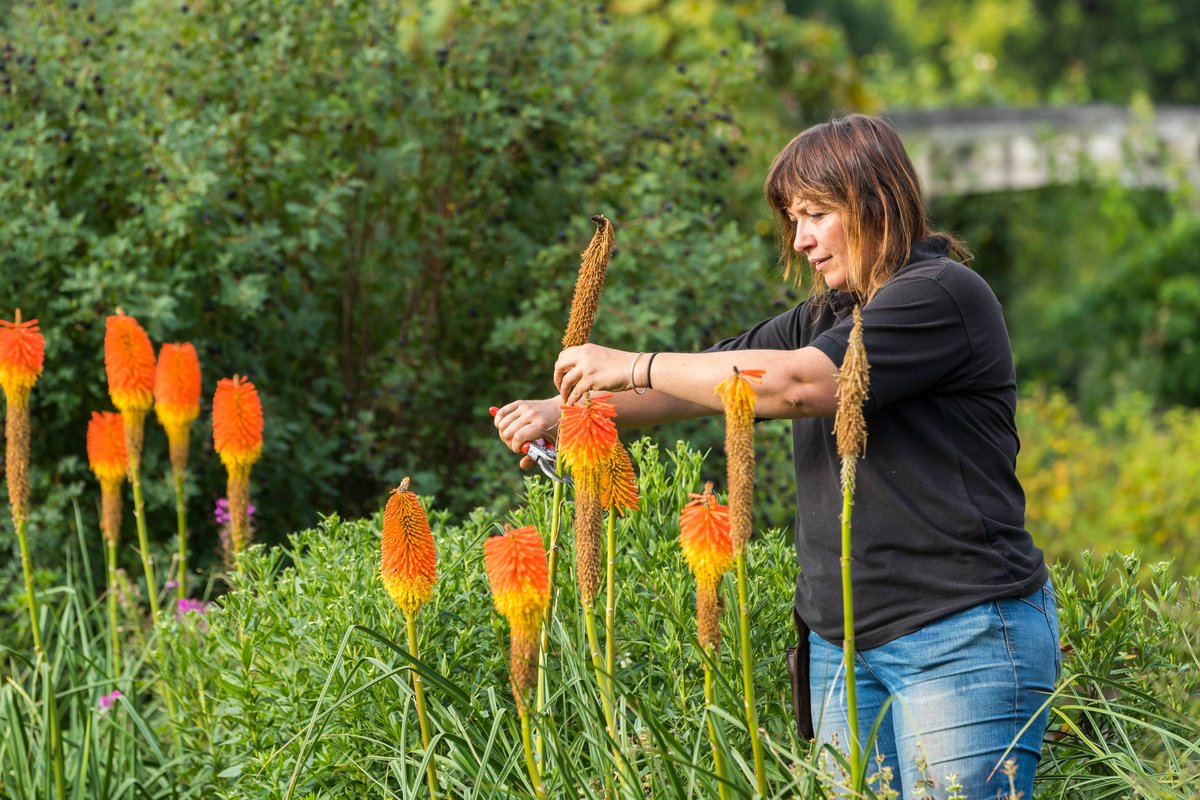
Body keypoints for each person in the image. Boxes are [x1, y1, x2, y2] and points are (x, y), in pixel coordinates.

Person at [493, 113, 1059, 799]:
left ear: (875, 200)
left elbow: (797, 385)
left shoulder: (940, 295)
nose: (801, 239)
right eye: (795, 219)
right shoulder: (826, 314)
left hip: (957, 636)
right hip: (841, 643)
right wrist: (569, 412)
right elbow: (704, 379)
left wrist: (631, 362)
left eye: (817, 214)